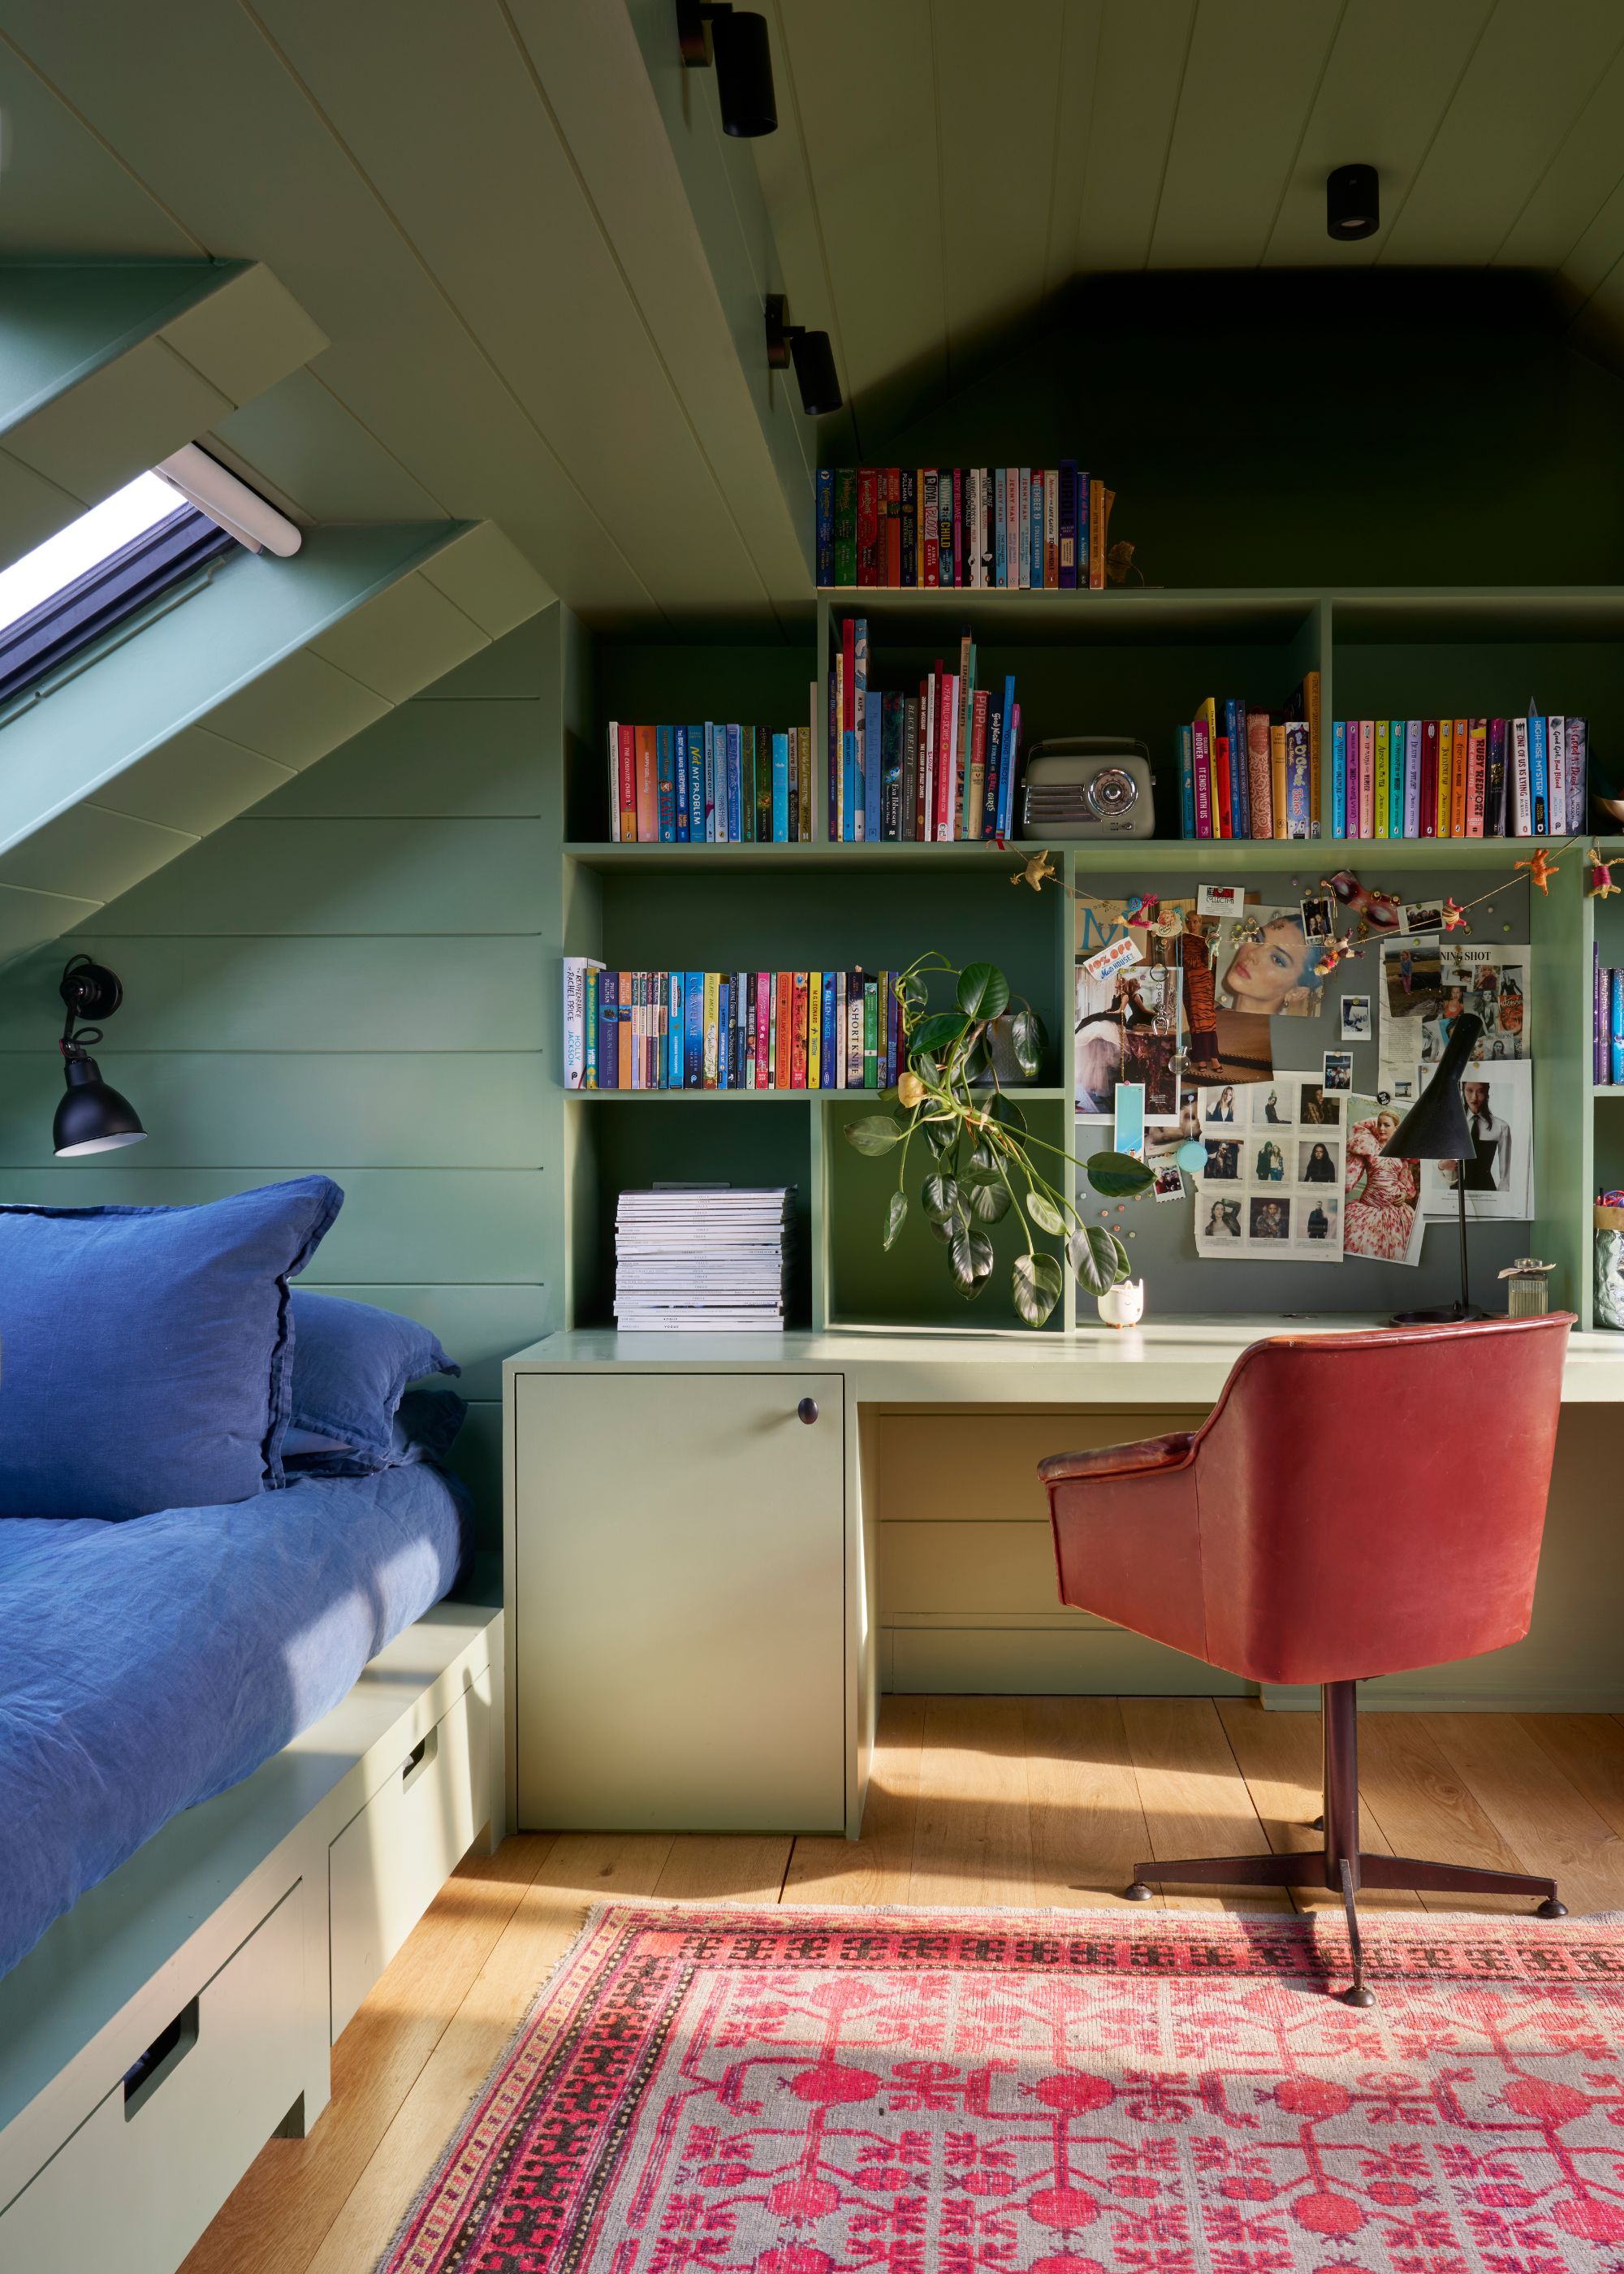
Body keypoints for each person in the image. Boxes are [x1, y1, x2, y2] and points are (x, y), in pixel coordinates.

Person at [1345, 1105, 1418, 1261]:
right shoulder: (1369, 1147)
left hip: (1395, 1211)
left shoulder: (1400, 1152)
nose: (1381, 1128)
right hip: (1369, 1207)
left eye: (1387, 1125)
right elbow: (1351, 1175)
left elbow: (1404, 1180)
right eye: (1379, 1124)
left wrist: (1403, 1193)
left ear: (1396, 1128)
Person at [1451, 1081, 1511, 1193]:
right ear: (1462, 1090)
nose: (1474, 1097)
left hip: (1486, 1191)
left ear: (1487, 1093)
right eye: (1469, 1090)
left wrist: (1502, 1198)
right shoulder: (1452, 1124)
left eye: (1480, 1091)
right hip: (1457, 1192)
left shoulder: (1502, 1127)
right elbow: (1439, 1163)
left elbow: (1506, 1175)